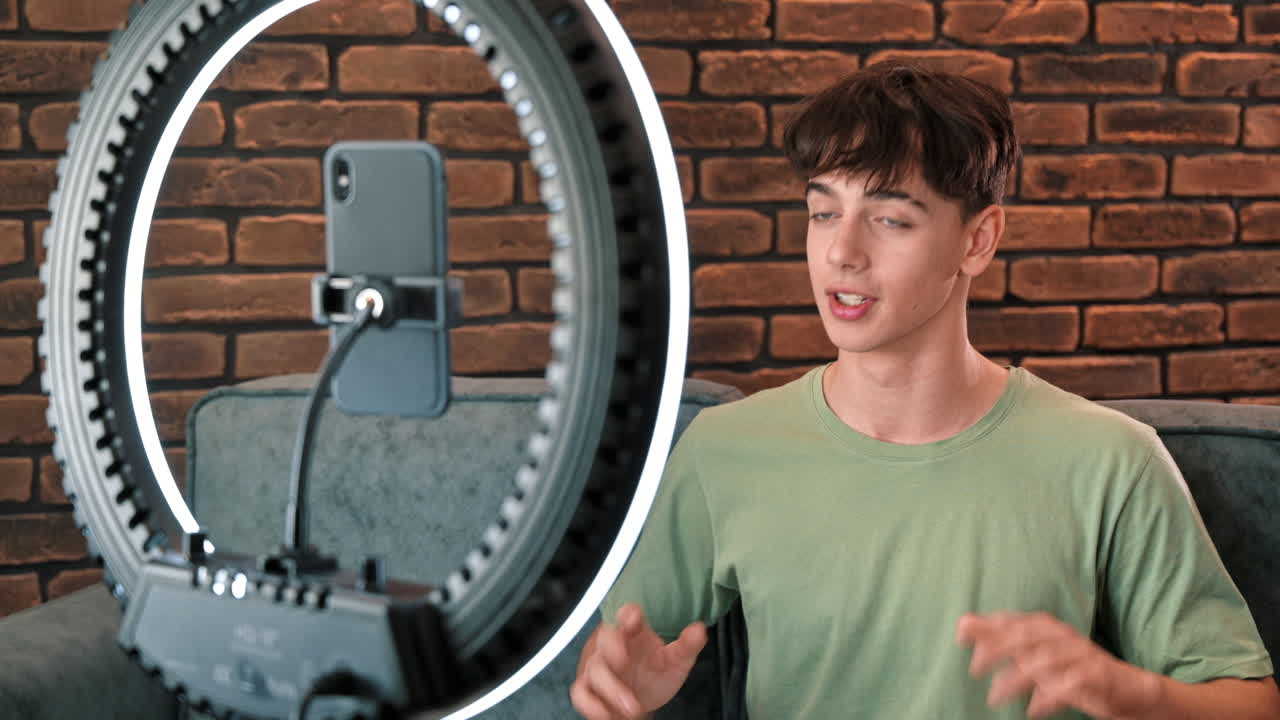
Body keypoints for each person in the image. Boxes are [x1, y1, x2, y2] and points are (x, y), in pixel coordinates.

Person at [569, 62, 1279, 719]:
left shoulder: (1111, 460)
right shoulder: (724, 453)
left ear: (978, 241)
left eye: (889, 218)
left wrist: (1134, 694)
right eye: (823, 212)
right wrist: (614, 687)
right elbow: (617, 661)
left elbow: (1250, 703)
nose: (841, 252)